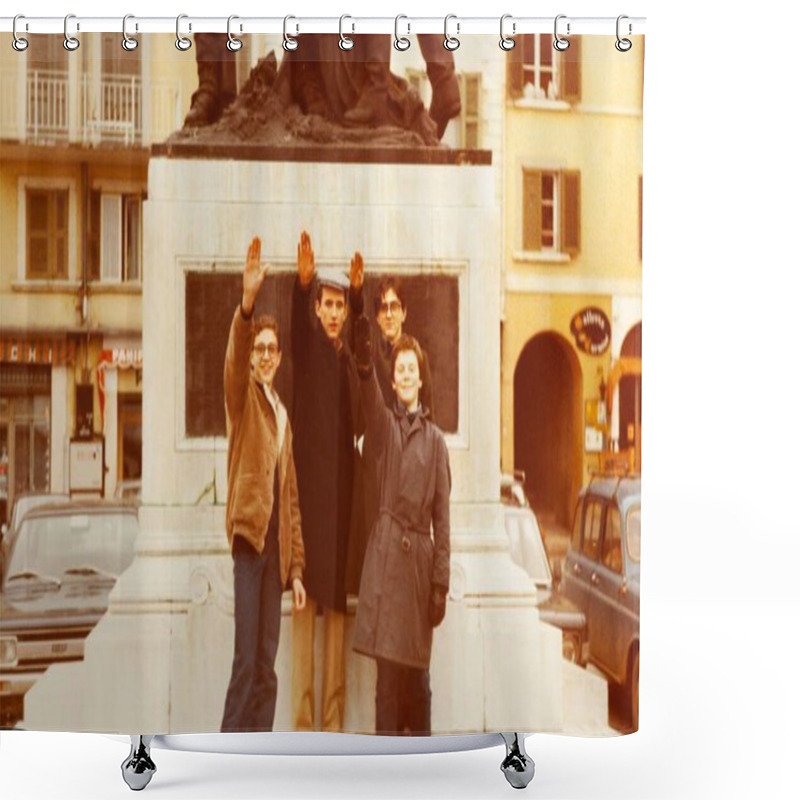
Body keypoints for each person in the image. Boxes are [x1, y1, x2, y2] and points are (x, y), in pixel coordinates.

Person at [349, 253, 451, 736]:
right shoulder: (387, 427)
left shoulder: (435, 441)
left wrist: (440, 584)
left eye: (413, 368)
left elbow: (443, 518)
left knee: (419, 681)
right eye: (400, 370)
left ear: (420, 375)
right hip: (389, 561)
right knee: (386, 682)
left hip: (418, 571)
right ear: (395, 380)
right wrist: (366, 345)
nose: (406, 375)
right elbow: (367, 382)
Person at [221, 236, 307, 733]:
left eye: (273, 349)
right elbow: (232, 361)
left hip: (275, 554)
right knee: (245, 663)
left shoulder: (281, 412)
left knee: (268, 667)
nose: (267, 355)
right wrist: (247, 305)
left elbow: (290, 498)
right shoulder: (243, 398)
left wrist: (296, 569)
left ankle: (258, 757)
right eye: (261, 349)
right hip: (248, 543)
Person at [290, 230, 363, 732]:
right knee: (302, 625)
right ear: (317, 309)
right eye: (328, 304)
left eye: (340, 305)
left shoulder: (346, 358)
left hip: (339, 516)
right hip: (307, 513)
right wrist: (302, 284)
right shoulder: (310, 350)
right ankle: (301, 723)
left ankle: (332, 727)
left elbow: (363, 346)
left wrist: (360, 296)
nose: (334, 312)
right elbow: (296, 331)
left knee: (336, 628)